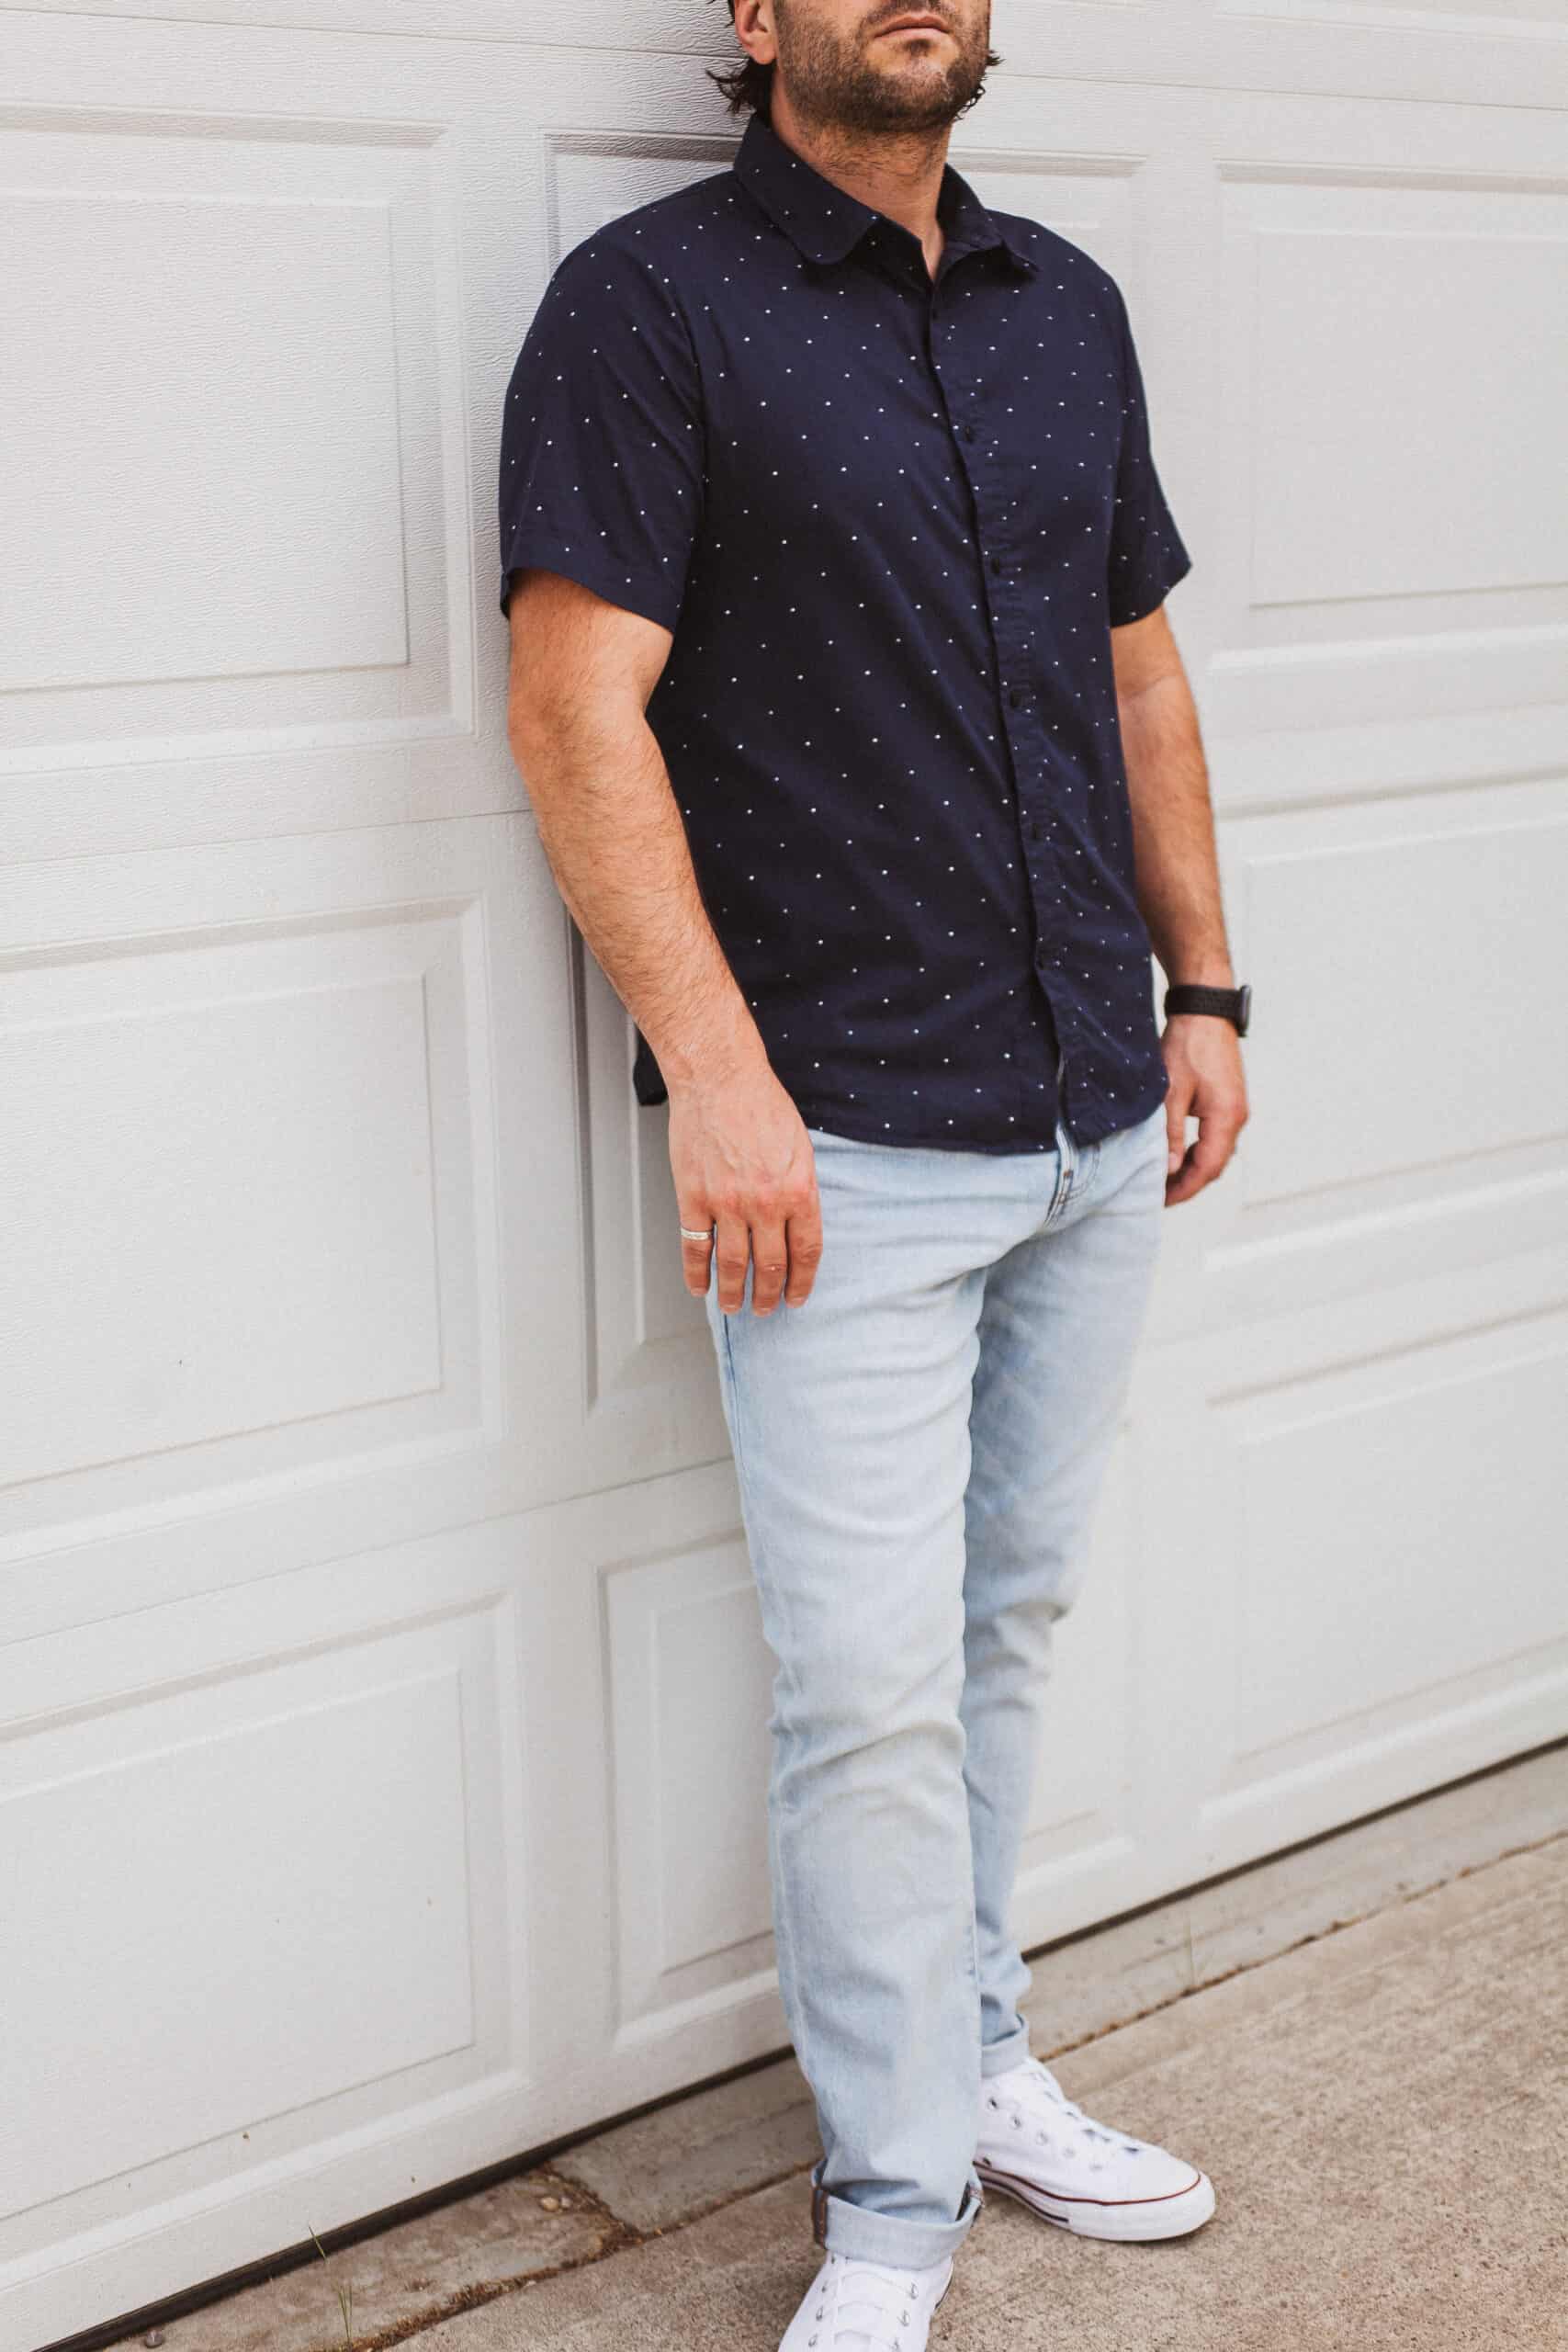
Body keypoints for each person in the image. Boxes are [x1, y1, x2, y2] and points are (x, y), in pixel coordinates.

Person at [499, 3, 1249, 2343]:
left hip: (1086, 1115)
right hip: (832, 1136)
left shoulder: (1069, 310)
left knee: (996, 1629)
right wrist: (708, 1071)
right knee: (866, 1691)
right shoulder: (650, 305)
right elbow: (568, 704)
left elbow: (1137, 672)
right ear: (753, 19)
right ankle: (893, 2194)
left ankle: (985, 2052)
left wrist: (1202, 989)